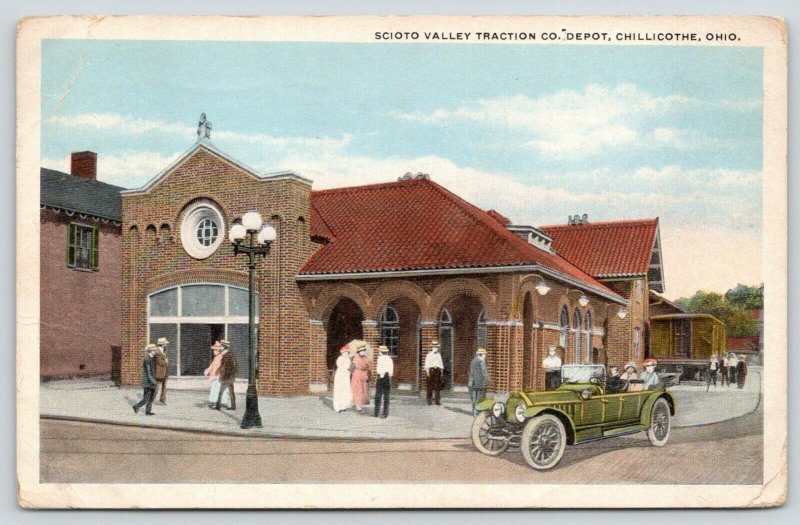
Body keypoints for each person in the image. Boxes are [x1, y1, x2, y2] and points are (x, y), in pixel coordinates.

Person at [204, 341, 231, 408]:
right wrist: (207, 370)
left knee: (216, 389)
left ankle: (216, 402)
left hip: (218, 377)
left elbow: (220, 368)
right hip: (215, 377)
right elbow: (212, 365)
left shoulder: (221, 357)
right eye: (214, 350)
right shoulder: (216, 358)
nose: (214, 351)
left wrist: (216, 376)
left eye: (215, 350)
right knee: (216, 389)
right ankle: (216, 402)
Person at [133, 344, 158, 415]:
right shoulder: (147, 359)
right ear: (151, 351)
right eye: (154, 350)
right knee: (146, 399)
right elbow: (148, 372)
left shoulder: (151, 358)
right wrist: (153, 381)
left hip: (151, 381)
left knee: (151, 398)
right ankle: (136, 406)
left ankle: (148, 411)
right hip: (148, 382)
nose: (155, 351)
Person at [213, 339, 237, 411]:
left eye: (221, 346)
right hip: (230, 377)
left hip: (226, 377)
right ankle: (233, 406)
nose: (220, 348)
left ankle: (218, 406)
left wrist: (217, 371)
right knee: (231, 392)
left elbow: (224, 366)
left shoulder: (227, 355)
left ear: (224, 347)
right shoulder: (229, 354)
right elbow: (235, 366)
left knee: (221, 392)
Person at [468, 348, 489, 416]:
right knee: (480, 398)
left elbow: (471, 372)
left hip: (472, 382)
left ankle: (474, 412)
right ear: (482, 354)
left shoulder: (473, 361)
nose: (485, 355)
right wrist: (487, 380)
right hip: (480, 382)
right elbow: (484, 372)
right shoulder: (481, 361)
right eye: (484, 354)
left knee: (474, 398)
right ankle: (478, 413)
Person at [374, 345, 393, 418]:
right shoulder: (389, 359)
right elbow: (391, 371)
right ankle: (385, 413)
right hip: (388, 377)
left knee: (378, 395)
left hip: (381, 377)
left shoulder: (380, 359)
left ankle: (376, 412)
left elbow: (379, 370)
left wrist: (379, 377)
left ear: (381, 352)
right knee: (386, 396)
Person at [351, 344, 371, 411]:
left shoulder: (366, 358)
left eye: (364, 351)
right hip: (357, 374)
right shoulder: (355, 358)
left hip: (364, 374)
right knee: (357, 389)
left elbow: (368, 367)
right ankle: (357, 404)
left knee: (363, 389)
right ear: (358, 352)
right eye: (361, 351)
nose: (363, 352)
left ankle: (361, 402)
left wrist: (368, 375)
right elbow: (352, 367)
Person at [333, 346, 353, 412]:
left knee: (345, 390)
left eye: (347, 352)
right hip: (340, 376)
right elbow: (341, 367)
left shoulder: (348, 360)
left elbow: (348, 367)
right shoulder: (340, 359)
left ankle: (343, 406)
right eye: (345, 352)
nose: (346, 354)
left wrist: (349, 372)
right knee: (338, 390)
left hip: (345, 376)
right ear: (342, 353)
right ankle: (337, 407)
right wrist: (346, 370)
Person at [424, 340, 444, 405]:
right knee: (430, 386)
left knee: (437, 386)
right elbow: (427, 365)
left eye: (437, 347)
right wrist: (428, 373)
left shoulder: (439, 355)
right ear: (432, 347)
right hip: (431, 370)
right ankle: (429, 400)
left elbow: (441, 364)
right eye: (434, 347)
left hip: (437, 371)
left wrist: (441, 372)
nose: (436, 348)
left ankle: (437, 400)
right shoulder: (429, 355)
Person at [154, 337, 169, 405]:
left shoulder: (163, 351)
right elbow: (160, 362)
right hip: (159, 372)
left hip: (164, 372)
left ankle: (162, 400)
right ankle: (151, 399)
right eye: (165, 344)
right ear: (162, 344)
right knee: (157, 387)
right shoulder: (157, 352)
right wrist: (166, 361)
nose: (166, 345)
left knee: (164, 387)